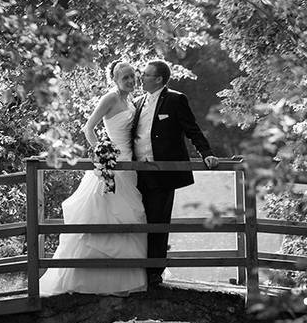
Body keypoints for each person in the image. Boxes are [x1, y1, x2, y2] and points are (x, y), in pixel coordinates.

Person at [39, 60, 147, 297]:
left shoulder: (131, 100)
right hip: (111, 164)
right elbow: (89, 128)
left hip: (129, 165)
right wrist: (101, 152)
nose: (131, 81)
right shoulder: (110, 98)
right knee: (103, 215)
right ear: (115, 80)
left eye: (132, 76)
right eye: (125, 78)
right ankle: (88, 280)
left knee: (128, 217)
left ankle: (121, 279)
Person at [132, 59, 218, 288]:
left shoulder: (176, 99)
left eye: (146, 75)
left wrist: (206, 153)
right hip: (136, 171)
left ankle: (154, 273)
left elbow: (192, 129)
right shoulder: (137, 102)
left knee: (158, 221)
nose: (142, 78)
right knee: (137, 219)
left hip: (163, 172)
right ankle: (136, 268)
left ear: (159, 79)